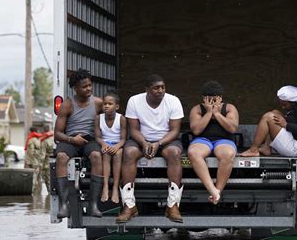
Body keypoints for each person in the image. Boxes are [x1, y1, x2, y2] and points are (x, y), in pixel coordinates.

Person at [119, 74, 184, 223]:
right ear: (147, 89)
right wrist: (144, 143)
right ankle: (129, 206)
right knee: (128, 153)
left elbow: (175, 130)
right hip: (141, 139)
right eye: (156, 88)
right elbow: (134, 129)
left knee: (174, 153)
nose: (160, 90)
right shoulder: (134, 101)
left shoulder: (173, 101)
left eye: (163, 87)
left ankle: (173, 205)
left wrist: (158, 143)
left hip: (167, 140)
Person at [54, 69, 104, 218]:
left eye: (90, 85)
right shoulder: (67, 105)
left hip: (89, 140)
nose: (88, 88)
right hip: (70, 140)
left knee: (96, 156)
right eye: (84, 86)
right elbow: (57, 134)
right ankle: (64, 205)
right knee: (61, 157)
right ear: (75, 88)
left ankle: (93, 205)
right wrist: (71, 139)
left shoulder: (98, 103)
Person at [187, 81, 239, 204]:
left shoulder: (229, 108)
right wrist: (209, 112)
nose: (212, 103)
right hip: (203, 140)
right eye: (209, 100)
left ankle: (218, 191)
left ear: (220, 98)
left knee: (228, 154)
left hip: (224, 140)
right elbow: (196, 130)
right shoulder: (197, 109)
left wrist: (217, 113)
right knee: (193, 153)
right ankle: (212, 189)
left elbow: (232, 128)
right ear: (203, 99)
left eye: (215, 99)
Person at [240, 85, 297, 157]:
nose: (283, 107)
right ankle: (266, 147)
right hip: (296, 141)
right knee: (275, 112)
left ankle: (253, 150)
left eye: (285, 105)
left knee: (268, 117)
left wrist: (286, 125)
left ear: (293, 102)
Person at [94, 90, 127, 204]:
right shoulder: (98, 118)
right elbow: (97, 137)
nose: (106, 106)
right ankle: (105, 186)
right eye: (104, 104)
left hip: (118, 145)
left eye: (110, 104)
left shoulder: (121, 118)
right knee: (106, 155)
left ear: (117, 106)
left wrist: (117, 146)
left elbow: (123, 139)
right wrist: (104, 144)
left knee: (118, 155)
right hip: (105, 144)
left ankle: (115, 188)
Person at [25, 126, 42, 194]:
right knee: (38, 177)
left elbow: (31, 152)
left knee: (33, 177)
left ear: (30, 131)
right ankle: (38, 192)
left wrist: (28, 161)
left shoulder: (31, 140)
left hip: (32, 162)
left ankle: (32, 192)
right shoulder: (38, 139)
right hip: (38, 162)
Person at [39, 124, 55, 192]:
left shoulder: (44, 141)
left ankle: (50, 194)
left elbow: (42, 155)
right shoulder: (55, 138)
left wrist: (39, 164)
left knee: (48, 179)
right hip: (57, 160)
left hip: (47, 162)